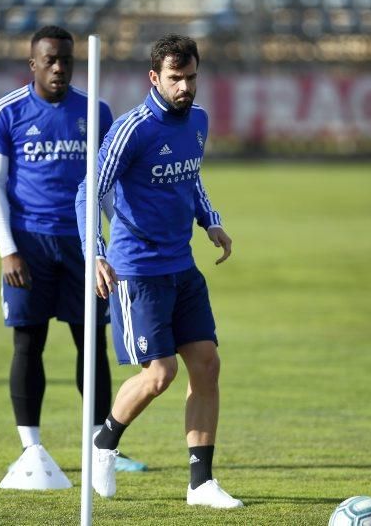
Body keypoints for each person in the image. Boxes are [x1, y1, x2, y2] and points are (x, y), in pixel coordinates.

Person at [75, 34, 243, 509]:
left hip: (181, 264)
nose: (185, 86)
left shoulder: (199, 121)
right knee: (160, 373)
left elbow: (191, 176)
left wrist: (210, 219)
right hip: (137, 270)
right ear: (154, 77)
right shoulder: (133, 128)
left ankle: (200, 484)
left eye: (191, 77)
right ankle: (104, 442)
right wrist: (95, 252)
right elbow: (89, 190)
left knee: (207, 363)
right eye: (176, 78)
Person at [0, 25, 145, 473]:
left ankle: (100, 446)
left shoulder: (96, 111)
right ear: (32, 63)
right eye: (49, 60)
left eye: (66, 60)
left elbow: (108, 186)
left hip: (83, 245)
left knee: (90, 342)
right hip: (29, 245)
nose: (58, 67)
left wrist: (124, 238)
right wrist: (7, 249)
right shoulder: (5, 112)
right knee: (28, 342)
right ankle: (30, 446)